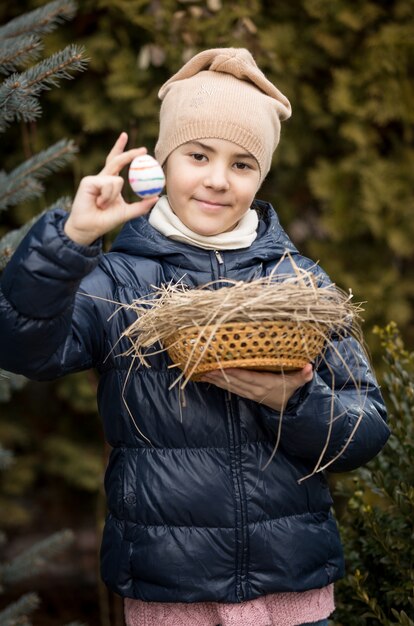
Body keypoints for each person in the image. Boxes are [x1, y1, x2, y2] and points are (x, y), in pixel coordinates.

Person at [0, 48, 389, 626]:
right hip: (170, 595)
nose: (216, 179)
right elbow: (25, 348)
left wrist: (296, 402)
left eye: (241, 164)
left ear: (260, 177)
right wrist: (70, 240)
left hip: (291, 591)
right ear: (163, 161)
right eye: (198, 155)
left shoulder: (296, 281)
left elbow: (367, 429)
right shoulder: (118, 281)